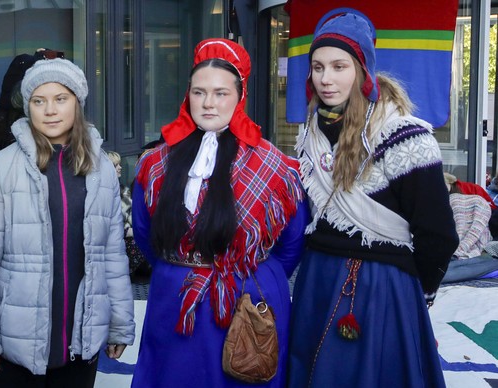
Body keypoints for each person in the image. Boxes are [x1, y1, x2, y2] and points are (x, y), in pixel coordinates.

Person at [288, 11, 459, 387]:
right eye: (317, 67)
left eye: (338, 66)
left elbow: (438, 234)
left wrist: (417, 293)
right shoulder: (310, 133)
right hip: (317, 277)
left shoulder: (405, 136)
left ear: (361, 69)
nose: (326, 78)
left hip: (379, 287)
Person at [131, 38, 308, 387]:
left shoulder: (274, 166)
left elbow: (292, 242)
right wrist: (185, 268)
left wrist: (239, 268)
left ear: (240, 96)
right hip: (176, 298)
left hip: (247, 299)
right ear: (188, 95)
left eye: (220, 93)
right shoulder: (155, 162)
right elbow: (145, 232)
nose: (208, 103)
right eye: (199, 92)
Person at [0, 58, 135, 387]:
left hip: (81, 342)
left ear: (77, 104)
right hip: (17, 347)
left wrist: (120, 324)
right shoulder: (0, 169)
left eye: (60, 99)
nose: (50, 110)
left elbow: (112, 254)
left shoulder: (102, 170)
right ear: (28, 107)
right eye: (39, 101)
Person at [107, 150, 147, 276]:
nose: (120, 167)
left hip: (128, 233)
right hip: (115, 238)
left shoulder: (124, 190)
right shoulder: (102, 193)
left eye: (119, 164)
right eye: (116, 165)